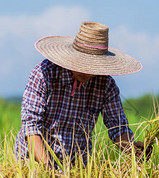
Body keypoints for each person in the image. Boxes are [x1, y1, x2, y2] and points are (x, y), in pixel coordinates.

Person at [14, 21, 148, 169]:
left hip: (77, 167)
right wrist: (48, 167)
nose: (86, 72)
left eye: (92, 66)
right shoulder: (44, 73)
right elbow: (31, 127)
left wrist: (133, 150)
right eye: (82, 64)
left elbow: (117, 127)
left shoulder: (106, 85)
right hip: (34, 163)